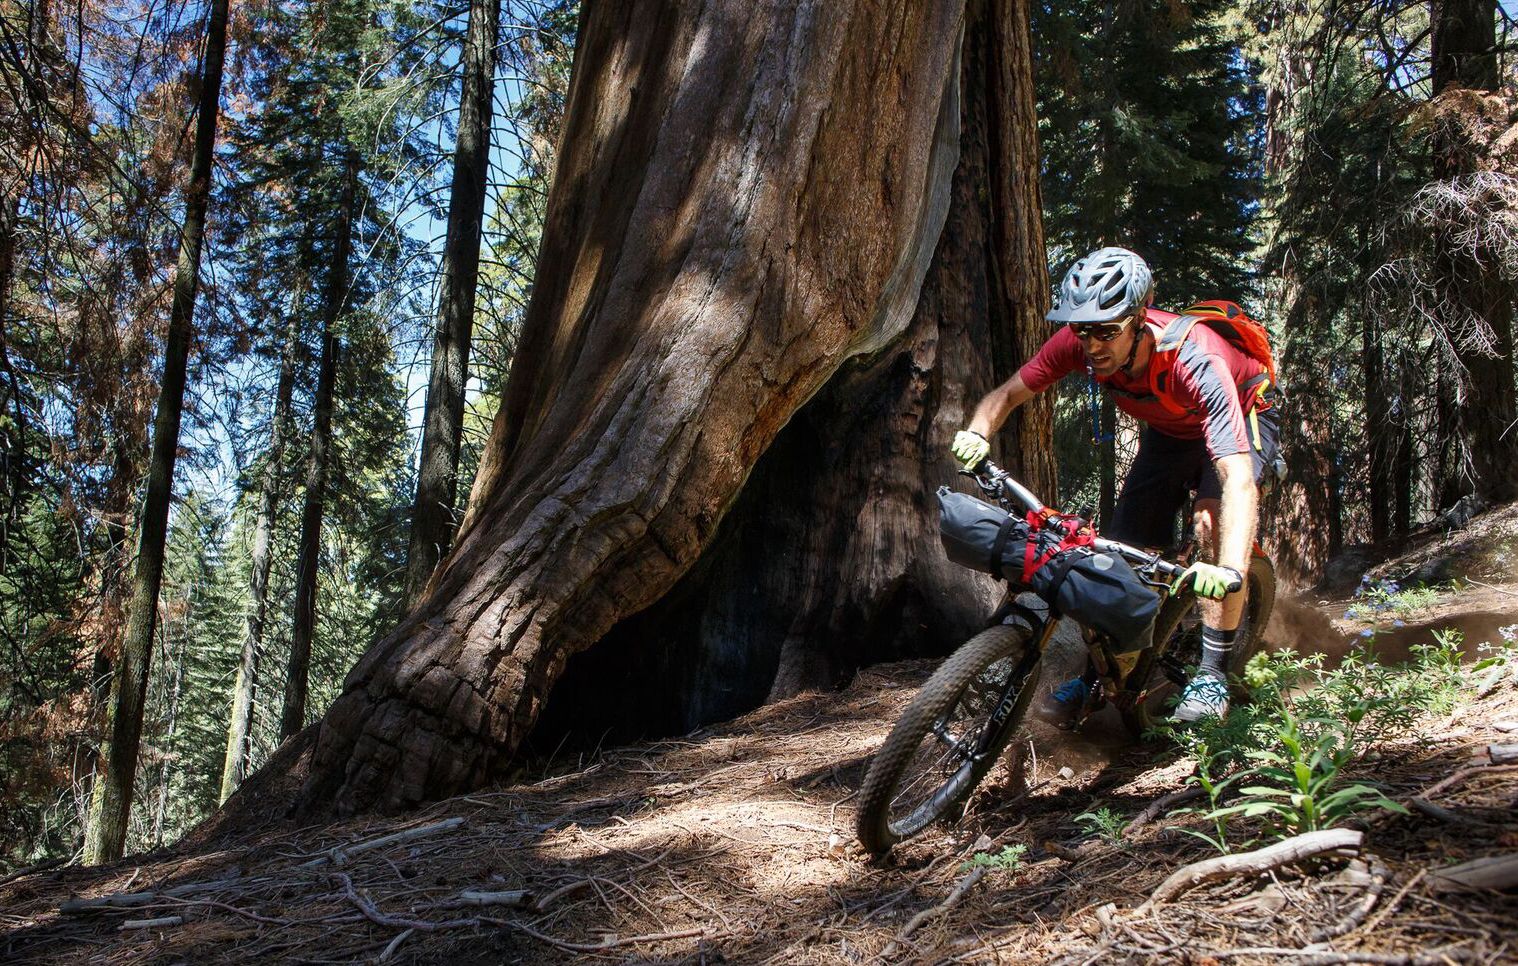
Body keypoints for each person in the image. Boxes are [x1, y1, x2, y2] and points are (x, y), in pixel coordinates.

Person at [950, 246, 1279, 724]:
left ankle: (1211, 674)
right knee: (1119, 552)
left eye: (1107, 330)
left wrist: (1227, 564)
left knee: (1210, 522)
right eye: (1082, 330)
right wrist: (977, 432)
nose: (1092, 345)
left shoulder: (1195, 360)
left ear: (1139, 319)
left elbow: (1238, 477)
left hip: (1243, 415)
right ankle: (1097, 676)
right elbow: (1006, 395)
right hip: (1172, 429)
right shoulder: (1077, 344)